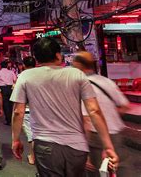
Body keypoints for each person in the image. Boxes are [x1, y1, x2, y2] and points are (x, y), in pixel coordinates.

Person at [11, 38, 119, 176]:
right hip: (77, 146)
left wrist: (15, 140)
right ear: (58, 55)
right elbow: (94, 111)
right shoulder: (76, 74)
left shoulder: (26, 76)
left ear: (36, 58)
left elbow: (18, 111)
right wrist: (108, 146)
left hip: (45, 145)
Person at [72, 51, 130, 177]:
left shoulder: (82, 86)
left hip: (96, 137)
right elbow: (125, 106)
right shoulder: (107, 82)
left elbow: (87, 120)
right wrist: (110, 119)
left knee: (99, 172)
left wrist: (85, 150)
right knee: (118, 169)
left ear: (79, 66)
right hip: (116, 135)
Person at [20, 56, 36, 165]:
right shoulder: (41, 76)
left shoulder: (21, 77)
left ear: (24, 65)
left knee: (31, 136)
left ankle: (33, 156)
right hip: (41, 110)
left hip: (27, 110)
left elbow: (18, 98)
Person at [0, 60, 17, 125]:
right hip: (10, 88)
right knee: (11, 104)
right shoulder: (11, 72)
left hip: (3, 88)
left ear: (1, 66)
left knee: (5, 104)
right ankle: (12, 119)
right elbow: (15, 80)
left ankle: (8, 120)